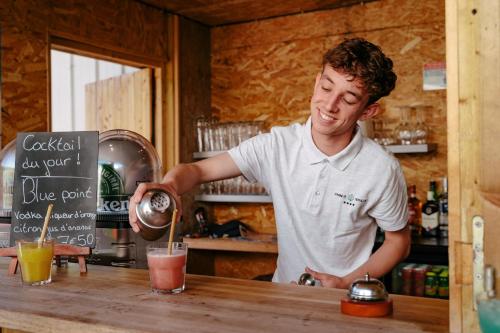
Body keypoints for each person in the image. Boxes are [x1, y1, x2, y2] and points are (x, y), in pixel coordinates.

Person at [129, 37, 410, 289]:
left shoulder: (381, 169)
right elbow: (197, 170)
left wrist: (346, 283)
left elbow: (399, 242)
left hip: (345, 301)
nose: (329, 104)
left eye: (348, 99)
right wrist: (167, 185)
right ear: (316, 82)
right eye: (326, 87)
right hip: (283, 296)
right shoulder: (277, 146)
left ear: (368, 111)